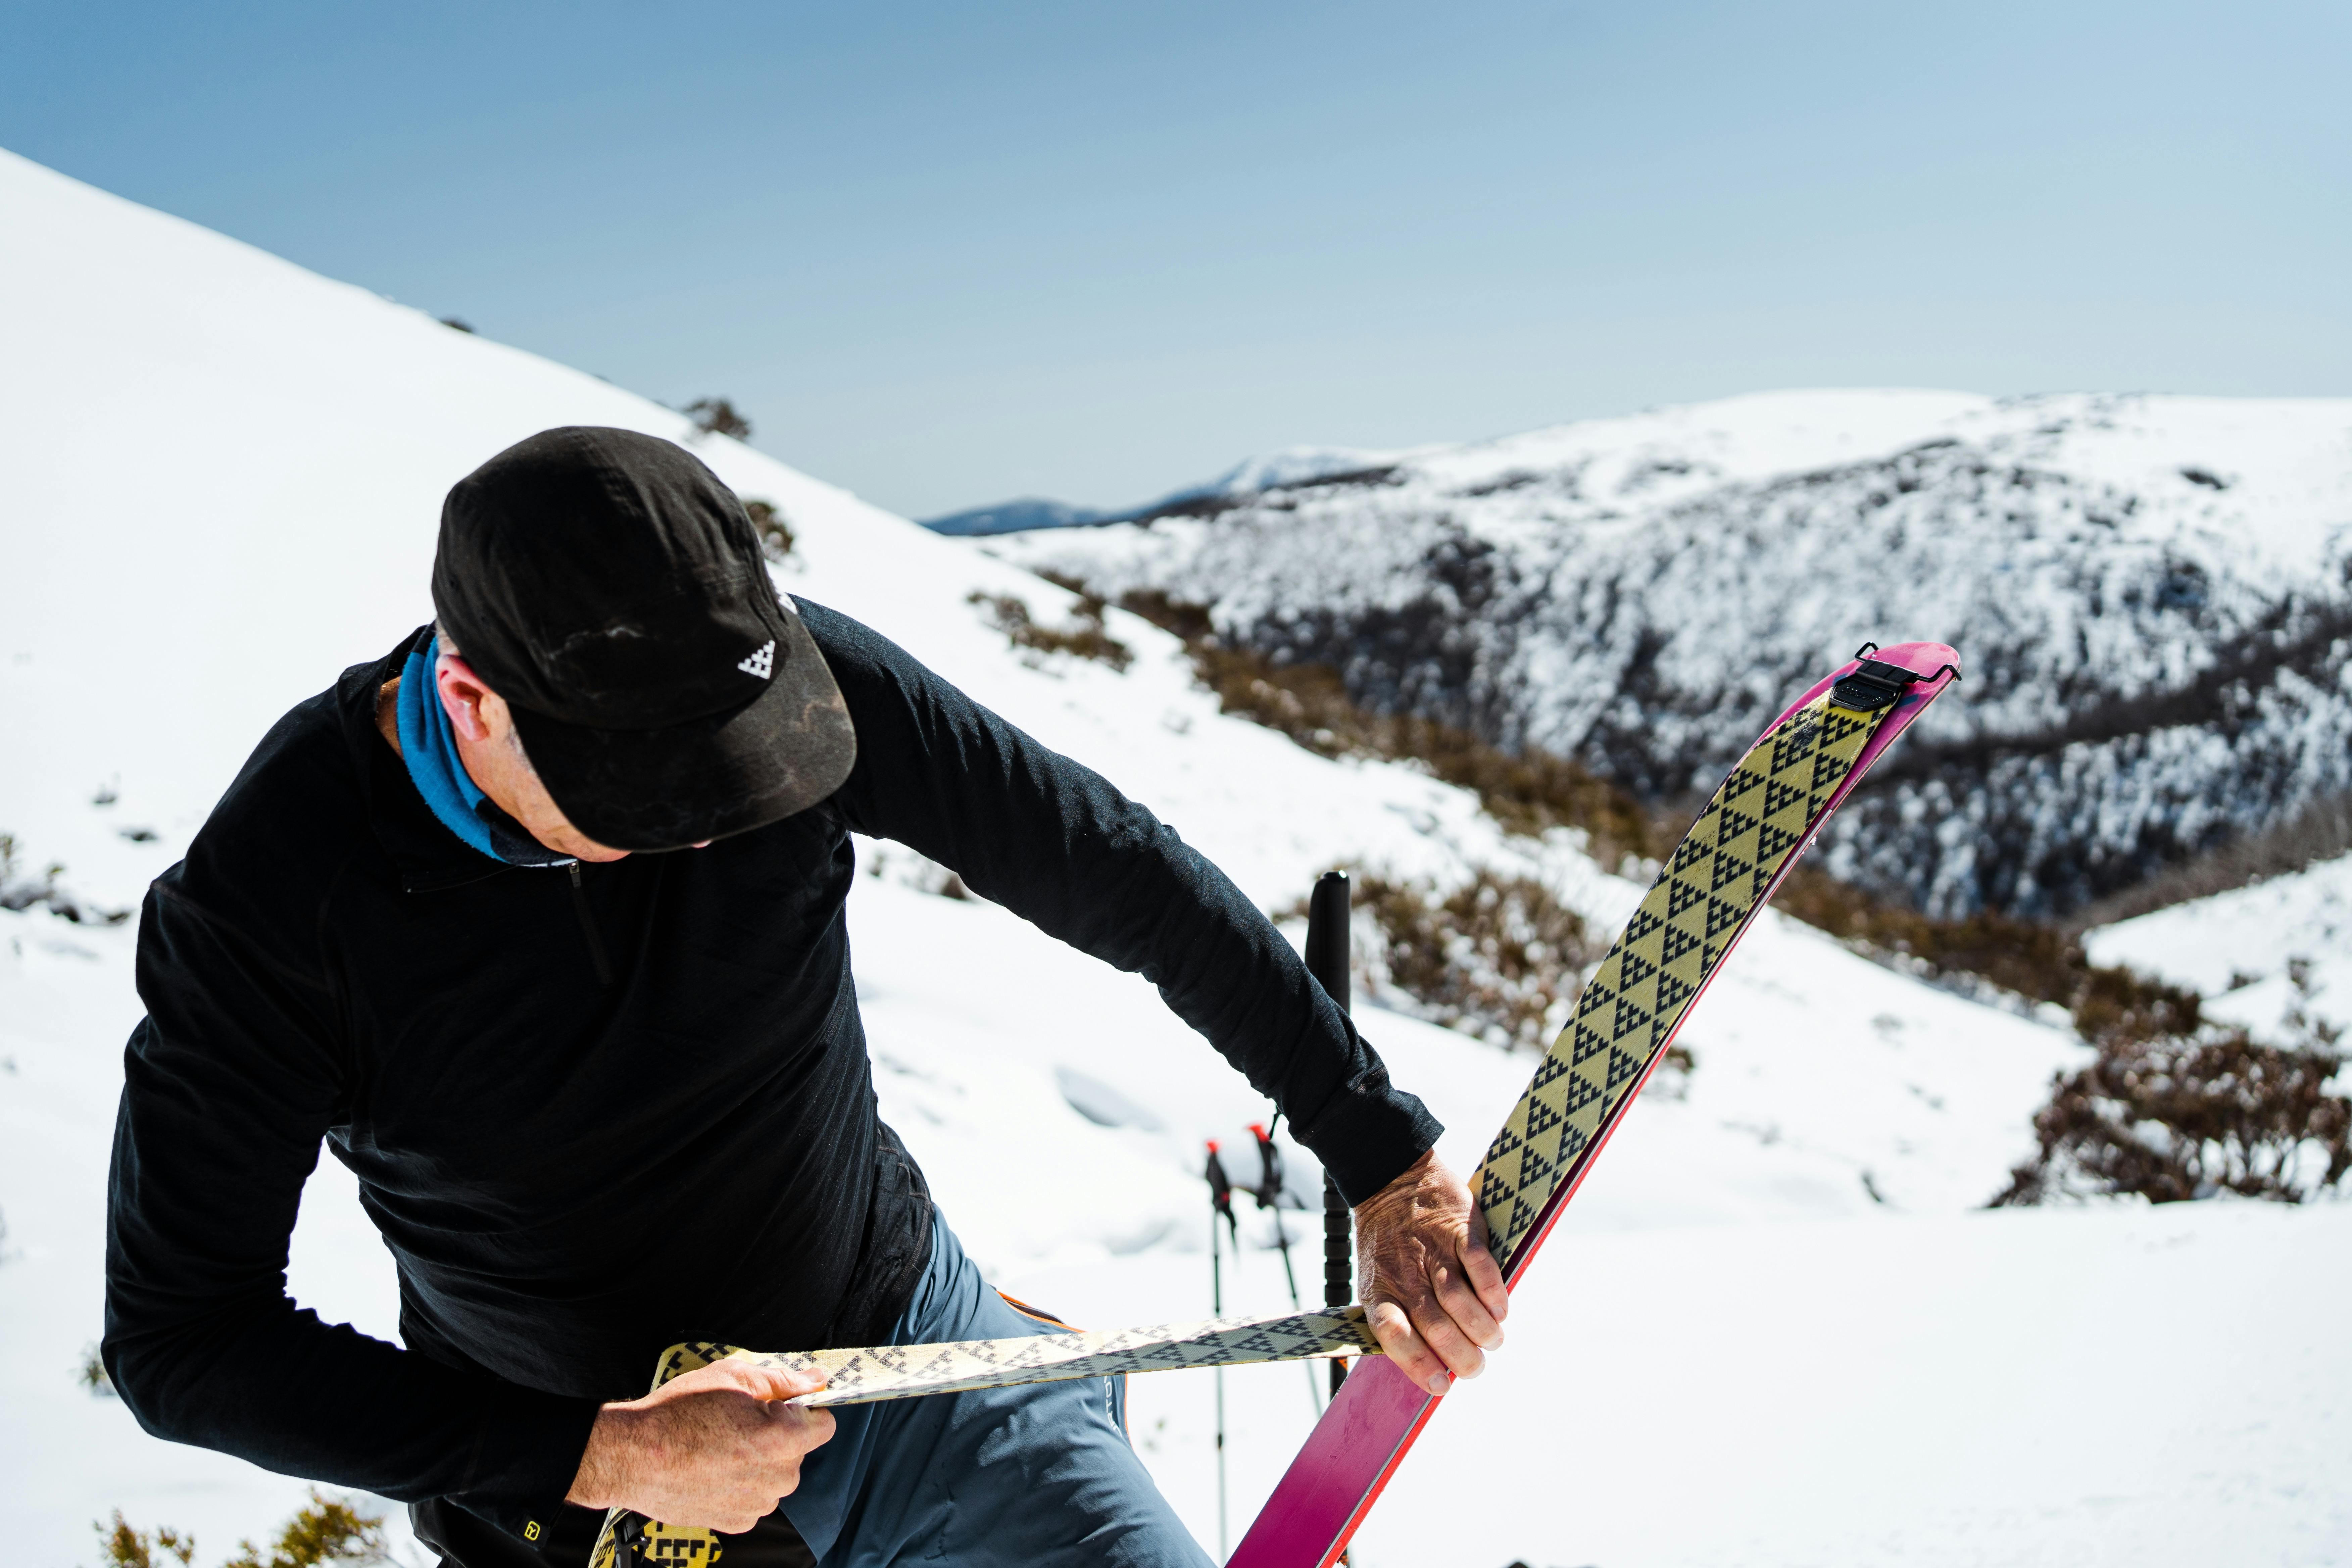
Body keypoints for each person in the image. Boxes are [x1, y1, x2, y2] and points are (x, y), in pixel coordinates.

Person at [103, 427, 1508, 1568]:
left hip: (916, 1361)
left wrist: (1381, 1152)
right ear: (472, 702)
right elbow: (183, 1338)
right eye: (649, 796)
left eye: (739, 766)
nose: (714, 820)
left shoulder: (778, 685)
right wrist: (602, 1452)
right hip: (598, 1494)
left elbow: (1107, 867)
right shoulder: (277, 900)